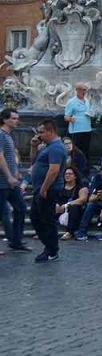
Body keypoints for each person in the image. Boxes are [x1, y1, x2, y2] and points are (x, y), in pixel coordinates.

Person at [29, 120, 67, 262]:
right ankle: (49, 247)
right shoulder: (46, 146)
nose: (39, 135)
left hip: (48, 189)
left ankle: (51, 250)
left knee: (46, 220)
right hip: (41, 188)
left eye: (42, 132)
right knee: (35, 217)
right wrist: (34, 147)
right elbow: (33, 161)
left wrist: (44, 188)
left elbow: (54, 171)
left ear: (51, 131)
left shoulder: (56, 148)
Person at [0, 108, 30, 252]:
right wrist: (9, 176)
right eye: (13, 118)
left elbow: (11, 159)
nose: (16, 120)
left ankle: (16, 240)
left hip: (11, 182)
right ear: (5, 119)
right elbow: (0, 157)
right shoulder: (1, 135)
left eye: (17, 118)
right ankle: (13, 239)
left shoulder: (8, 135)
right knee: (4, 214)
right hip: (2, 182)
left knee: (21, 208)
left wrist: (16, 174)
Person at [56, 166, 89, 240]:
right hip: (60, 211)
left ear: (75, 176)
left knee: (74, 207)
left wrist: (66, 205)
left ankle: (69, 232)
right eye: (66, 174)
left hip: (75, 210)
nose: (67, 175)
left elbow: (82, 199)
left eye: (70, 174)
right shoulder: (60, 186)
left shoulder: (81, 186)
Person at [64, 83, 92, 157]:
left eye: (85, 90)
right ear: (77, 90)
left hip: (87, 129)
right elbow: (66, 117)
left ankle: (85, 166)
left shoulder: (87, 100)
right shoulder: (71, 102)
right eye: (82, 90)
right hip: (76, 130)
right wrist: (71, 119)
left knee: (86, 150)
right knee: (76, 151)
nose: (84, 92)